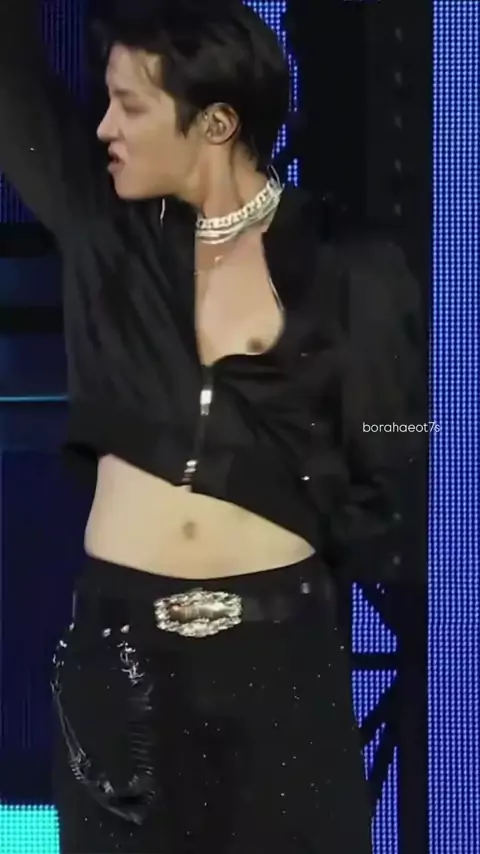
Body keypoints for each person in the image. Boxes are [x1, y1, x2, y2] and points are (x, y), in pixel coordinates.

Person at [0, 0, 425, 852]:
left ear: (217, 123)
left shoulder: (353, 270)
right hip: (121, 664)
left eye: (130, 106)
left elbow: (390, 469)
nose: (104, 126)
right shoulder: (107, 237)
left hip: (280, 668)